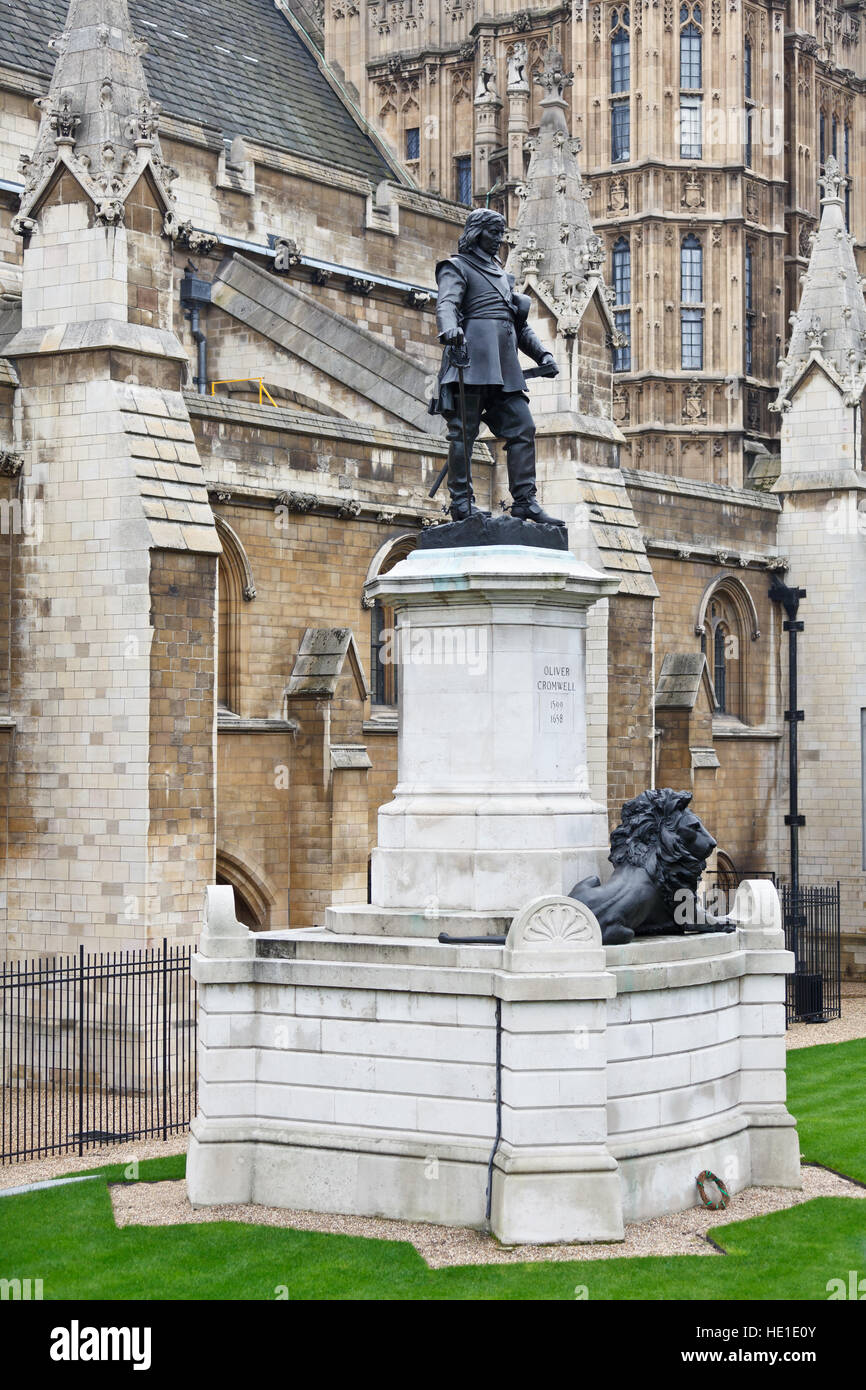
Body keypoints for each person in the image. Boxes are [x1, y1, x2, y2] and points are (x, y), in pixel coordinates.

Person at [429, 207, 564, 526]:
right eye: (493, 232)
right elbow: (446, 303)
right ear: (476, 232)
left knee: (523, 428)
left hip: (504, 366)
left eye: (501, 233)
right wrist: (449, 329)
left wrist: (542, 354)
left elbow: (517, 326)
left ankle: (524, 501)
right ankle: (461, 503)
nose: (498, 240)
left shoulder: (505, 277)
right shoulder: (456, 267)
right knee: (463, 434)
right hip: (471, 359)